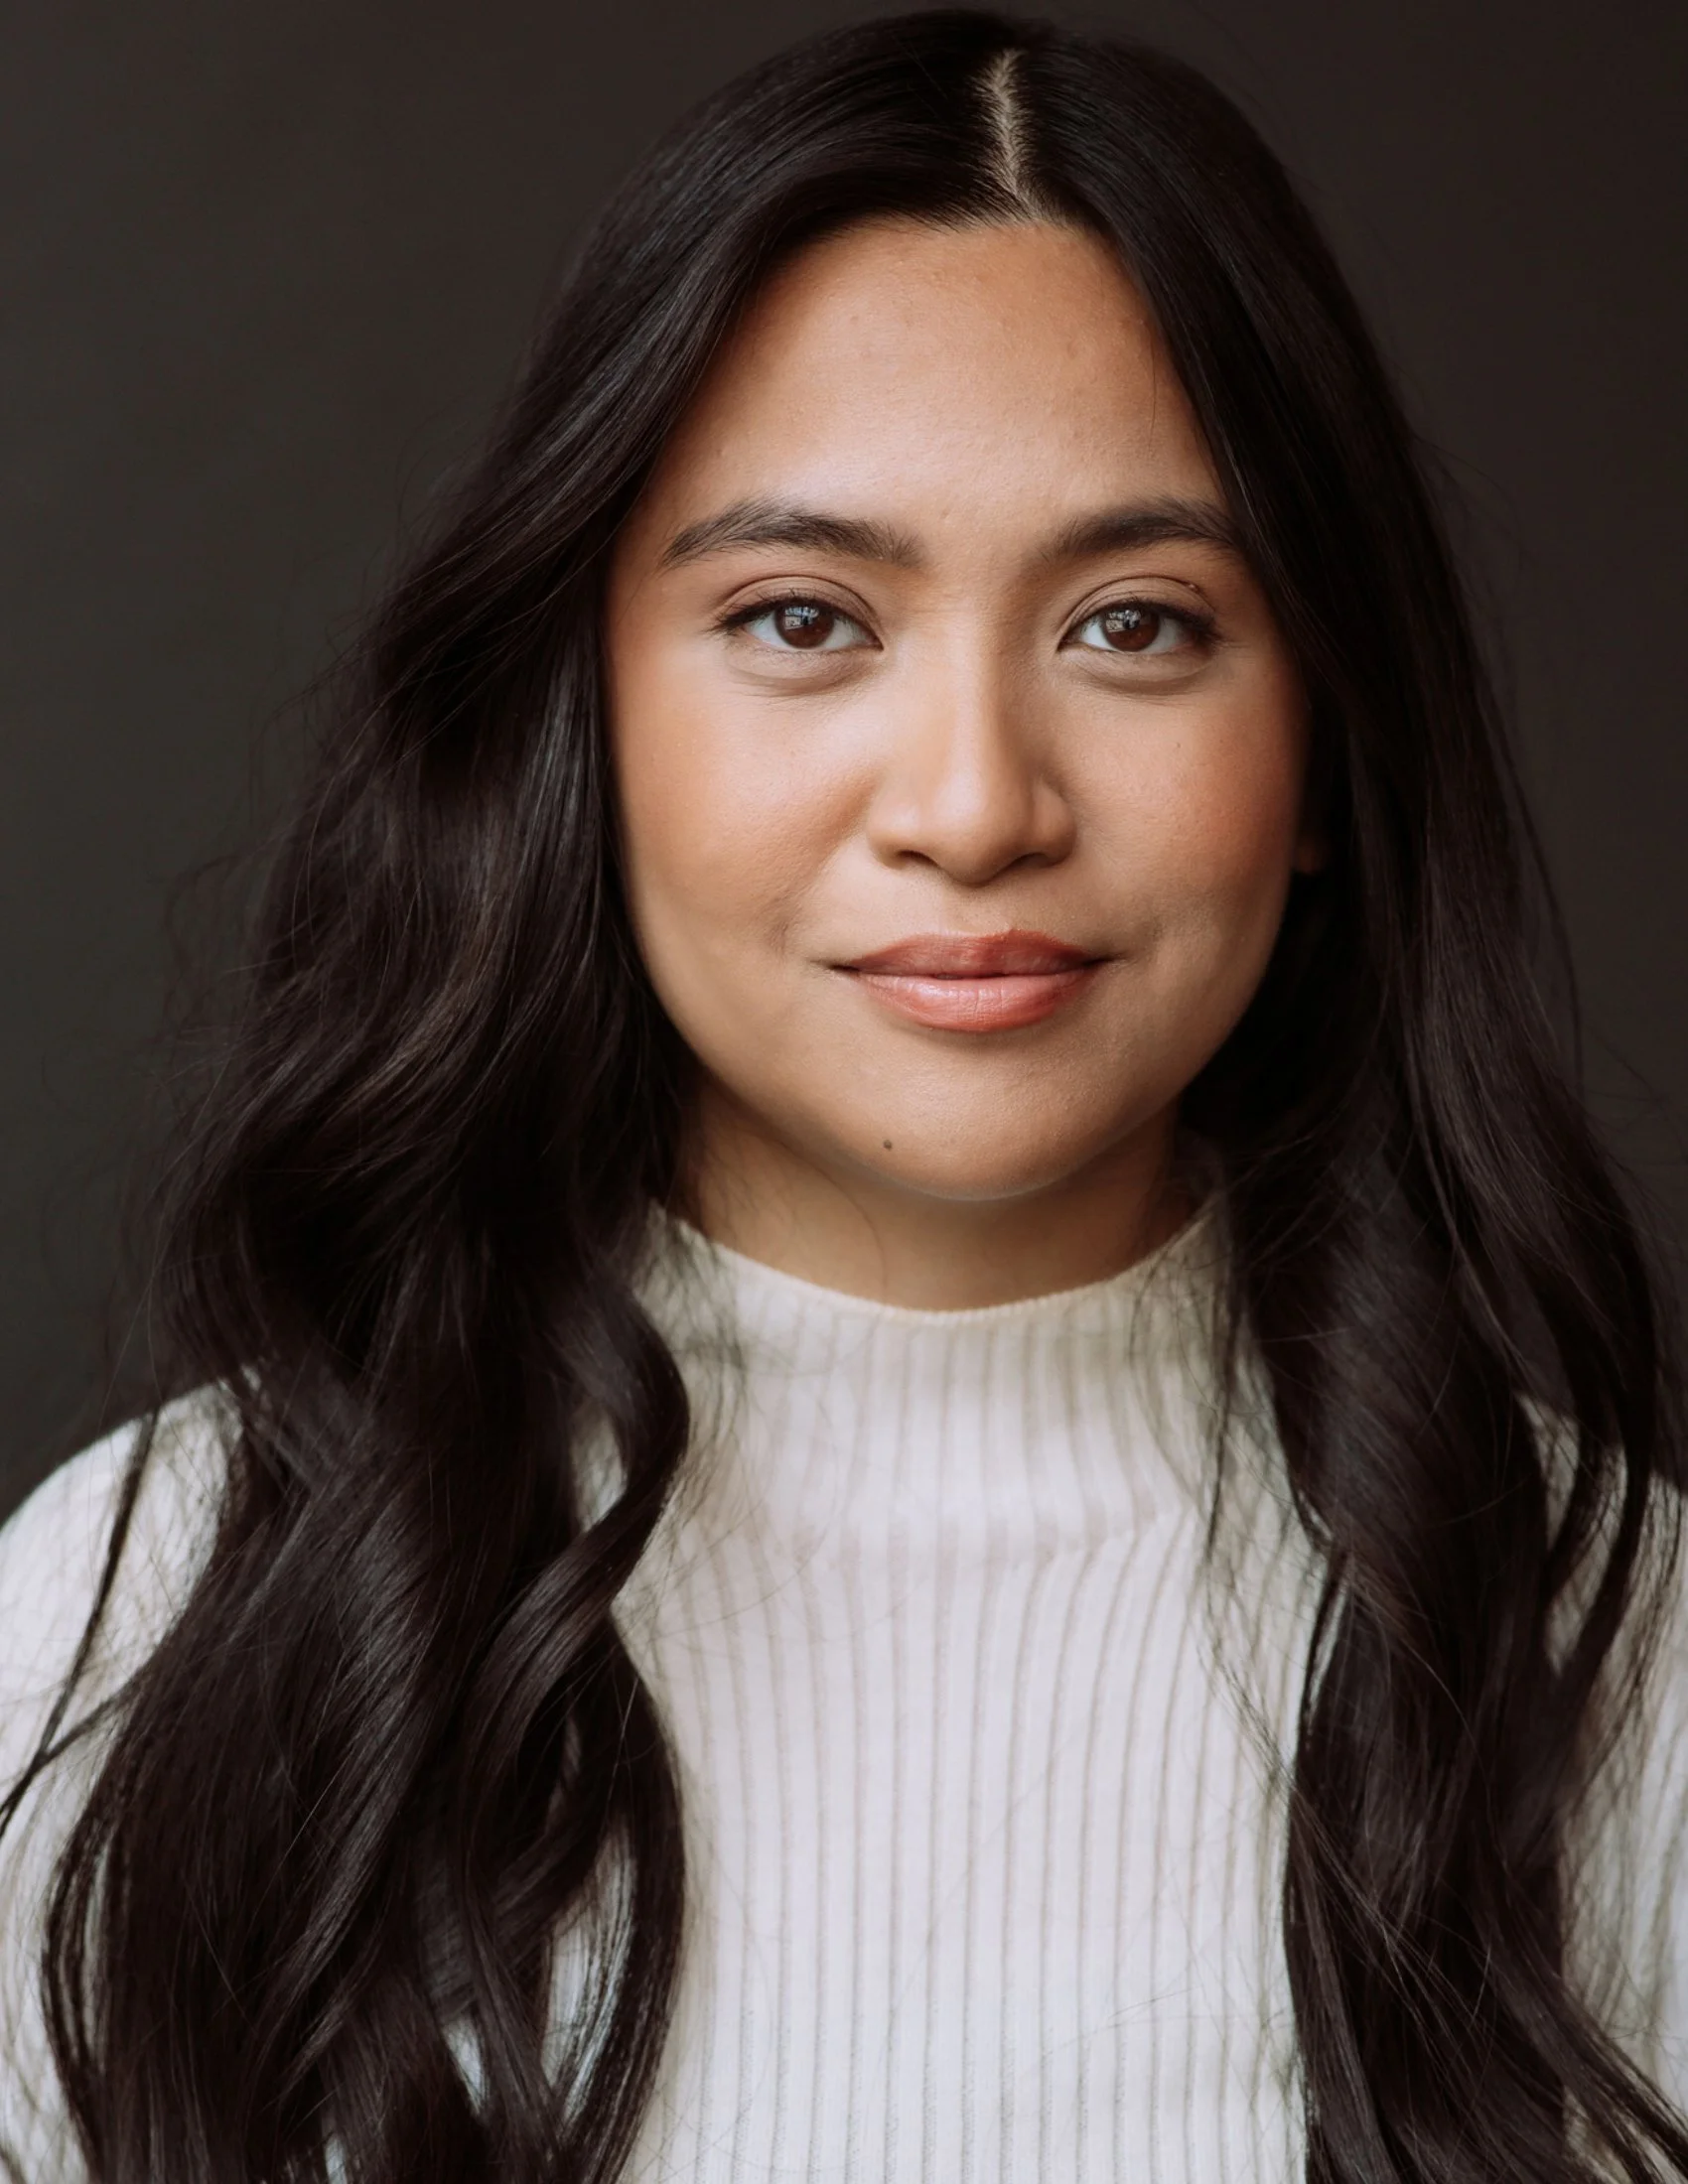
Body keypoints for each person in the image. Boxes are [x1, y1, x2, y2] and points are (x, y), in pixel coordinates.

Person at [1, 10, 1684, 2180]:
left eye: (1138, 624)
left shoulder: (1615, 1658)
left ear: (1328, 750)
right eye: (802, 617)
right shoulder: (139, 1627)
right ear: (579, 720)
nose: (974, 803)